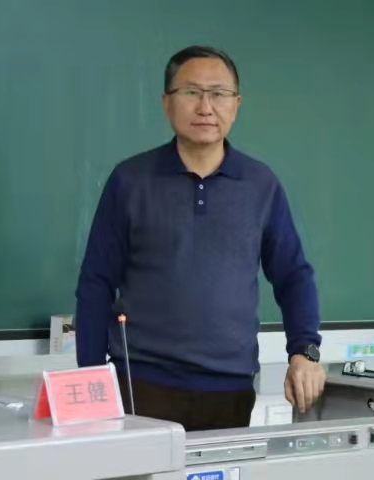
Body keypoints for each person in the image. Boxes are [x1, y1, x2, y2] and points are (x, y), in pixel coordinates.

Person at [75, 45, 325, 431]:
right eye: (191, 92)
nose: (205, 107)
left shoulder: (260, 184)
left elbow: (294, 276)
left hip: (230, 388)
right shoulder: (130, 180)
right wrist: (91, 377)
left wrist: (304, 351)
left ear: (236, 104)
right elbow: (96, 283)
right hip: (140, 384)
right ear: (166, 103)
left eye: (219, 94)